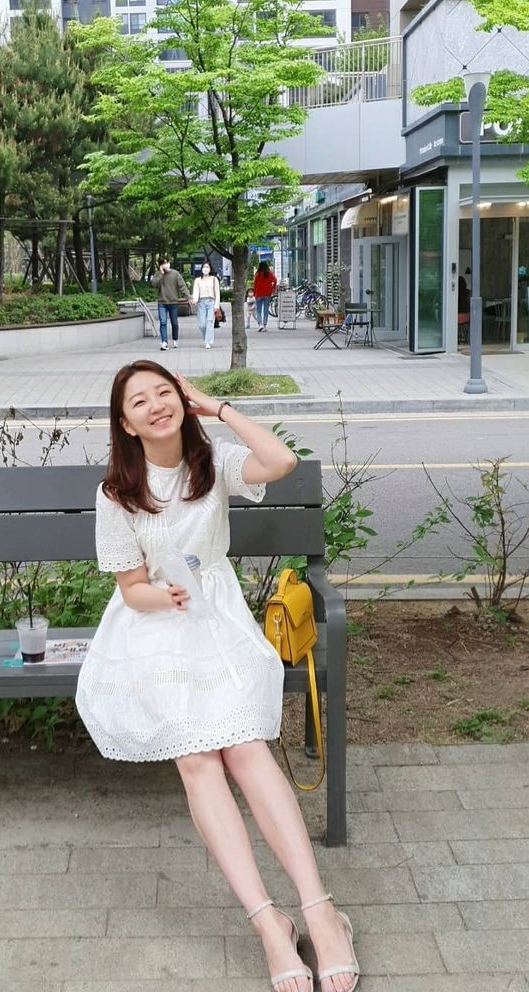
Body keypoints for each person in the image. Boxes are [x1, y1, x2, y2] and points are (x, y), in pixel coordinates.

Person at [75, 360, 360, 992]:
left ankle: (320, 911)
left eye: (165, 393)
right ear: (125, 423)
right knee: (198, 759)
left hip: (220, 621)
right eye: (139, 401)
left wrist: (218, 407)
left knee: (246, 748)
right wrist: (164, 597)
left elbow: (281, 461)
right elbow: (130, 588)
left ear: (182, 401)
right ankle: (268, 924)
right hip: (156, 627)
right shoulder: (117, 492)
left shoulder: (214, 463)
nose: (156, 405)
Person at [154, 258, 191, 351]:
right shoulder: (158, 274)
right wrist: (161, 274)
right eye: (163, 263)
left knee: (174, 322)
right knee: (163, 322)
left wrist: (188, 297)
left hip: (173, 302)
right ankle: (164, 342)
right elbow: (155, 285)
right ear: (160, 265)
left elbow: (182, 286)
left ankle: (175, 339)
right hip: (162, 302)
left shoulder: (175, 274)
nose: (165, 265)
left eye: (166, 263)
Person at [192, 261, 221, 348]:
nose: (205, 269)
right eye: (204, 267)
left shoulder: (214, 279)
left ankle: (208, 342)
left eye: (207, 267)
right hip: (201, 302)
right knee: (202, 324)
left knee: (210, 322)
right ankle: (206, 338)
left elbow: (217, 293)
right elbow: (196, 291)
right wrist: (195, 300)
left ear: (210, 269)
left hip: (211, 302)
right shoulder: (198, 280)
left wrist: (216, 305)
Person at [253, 261, 277, 331]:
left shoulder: (257, 274)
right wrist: (273, 288)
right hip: (267, 294)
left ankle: (260, 324)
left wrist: (254, 293)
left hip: (258, 294)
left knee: (258, 310)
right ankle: (265, 325)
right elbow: (275, 280)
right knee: (266, 310)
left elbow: (255, 284)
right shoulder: (269, 273)